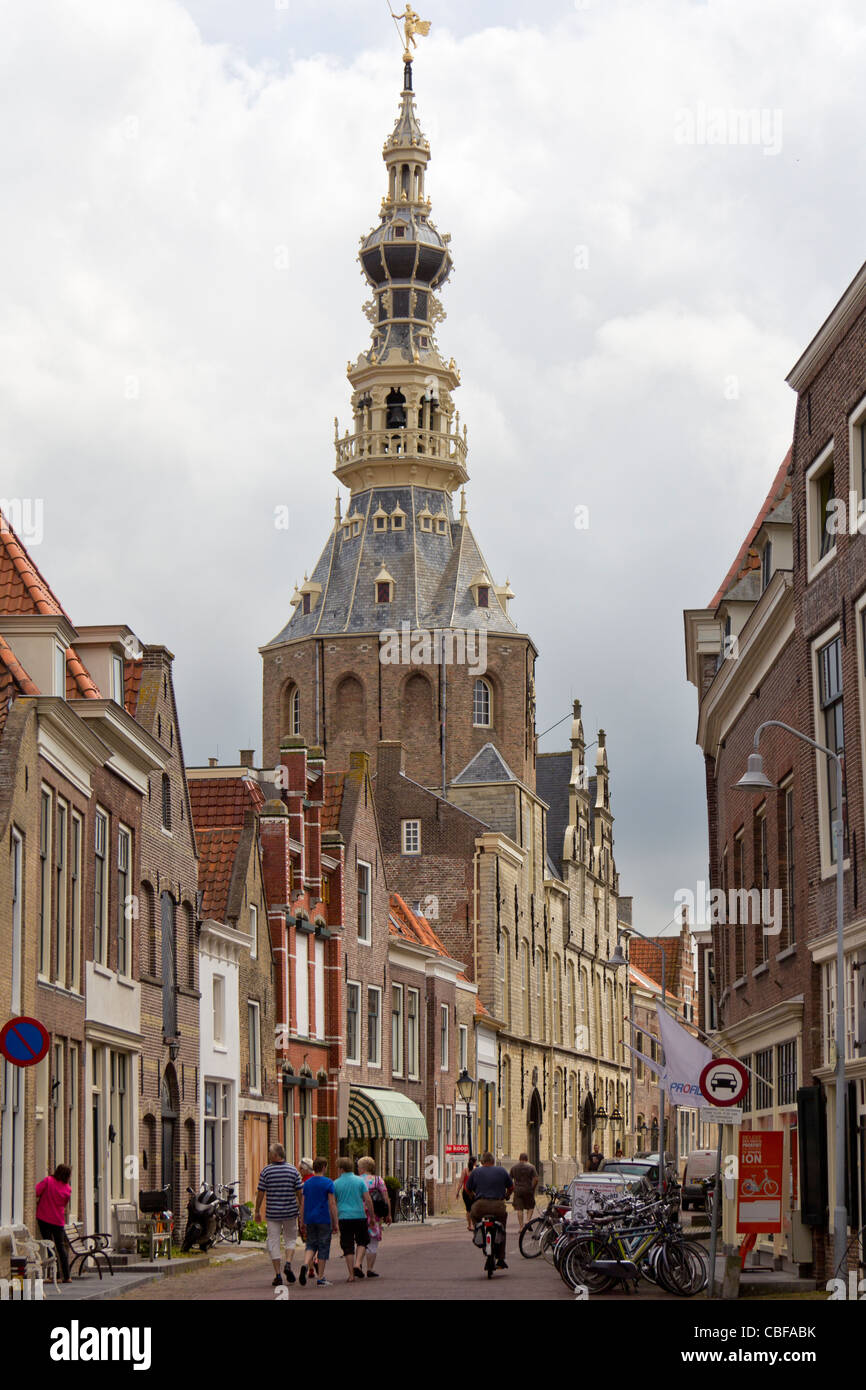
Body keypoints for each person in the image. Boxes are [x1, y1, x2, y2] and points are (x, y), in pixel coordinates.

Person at [254, 1143, 305, 1288]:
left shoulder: (266, 1171)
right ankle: (288, 1263)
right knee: (290, 1239)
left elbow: (261, 1192)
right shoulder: (293, 1170)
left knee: (273, 1241)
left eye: (270, 1152)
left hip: (273, 1213)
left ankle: (277, 1275)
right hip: (290, 1212)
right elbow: (299, 1192)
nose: (268, 1155)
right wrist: (301, 1209)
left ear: (276, 1155)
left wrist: (257, 1210)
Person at [466, 1152, 513, 1270]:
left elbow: (467, 1188)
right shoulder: (502, 1171)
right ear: (493, 1161)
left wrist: (473, 1196)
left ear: (482, 1162)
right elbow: (511, 1187)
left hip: (480, 1205)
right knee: (502, 1228)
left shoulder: (476, 1171)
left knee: (473, 1213)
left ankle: (478, 1229)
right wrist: (507, 1195)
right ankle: (501, 1258)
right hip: (498, 1205)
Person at [333, 1157, 375, 1282]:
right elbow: (368, 1200)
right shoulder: (359, 1181)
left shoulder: (335, 1183)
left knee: (347, 1245)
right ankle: (358, 1263)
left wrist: (335, 1221)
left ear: (341, 1169)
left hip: (344, 1217)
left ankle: (351, 1275)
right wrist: (372, 1216)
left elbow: (333, 1203)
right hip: (359, 1216)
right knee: (363, 1240)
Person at [300, 1157, 338, 1287]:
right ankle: (321, 1277)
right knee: (323, 1247)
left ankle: (305, 1264)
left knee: (311, 1244)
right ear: (323, 1167)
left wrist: (301, 1220)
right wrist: (336, 1222)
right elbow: (332, 1203)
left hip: (310, 1218)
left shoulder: (307, 1183)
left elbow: (303, 1203)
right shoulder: (328, 1183)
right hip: (323, 1218)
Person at [35, 1164, 72, 1283]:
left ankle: (55, 1275)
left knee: (50, 1246)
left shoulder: (48, 1181)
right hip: (58, 1221)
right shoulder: (68, 1189)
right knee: (61, 1248)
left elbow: (36, 1191)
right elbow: (64, 1205)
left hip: (44, 1218)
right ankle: (66, 1276)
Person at [357, 1156, 391, 1277]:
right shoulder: (378, 1180)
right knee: (373, 1241)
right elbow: (386, 1197)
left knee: (360, 1240)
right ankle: (370, 1268)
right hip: (374, 1215)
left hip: (358, 1213)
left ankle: (358, 1264)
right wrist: (388, 1214)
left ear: (362, 1168)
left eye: (358, 1167)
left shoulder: (356, 1180)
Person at [509, 1152, 539, 1231]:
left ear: (519, 1159)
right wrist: (533, 1188)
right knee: (531, 1206)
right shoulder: (531, 1167)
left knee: (519, 1208)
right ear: (527, 1159)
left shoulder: (514, 1167)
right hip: (528, 1189)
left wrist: (514, 1187)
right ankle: (528, 1221)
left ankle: (521, 1227)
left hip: (518, 1190)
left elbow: (509, 1179)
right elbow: (536, 1179)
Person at [455, 1156, 477, 1230]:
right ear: (475, 1162)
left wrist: (457, 1192)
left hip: (465, 1192)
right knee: (474, 1208)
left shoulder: (464, 1170)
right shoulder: (476, 1170)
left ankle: (469, 1225)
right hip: (474, 1192)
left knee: (468, 1209)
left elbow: (461, 1182)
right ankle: (474, 1225)